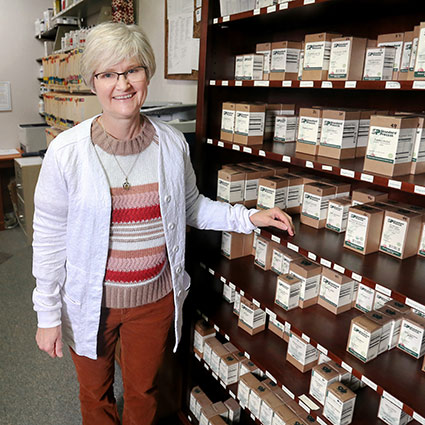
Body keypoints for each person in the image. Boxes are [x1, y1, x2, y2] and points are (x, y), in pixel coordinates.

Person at [32, 22, 295, 425]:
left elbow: (190, 207)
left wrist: (247, 217)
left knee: (143, 391)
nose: (122, 84)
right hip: (91, 302)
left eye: (132, 70)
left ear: (147, 75)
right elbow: (48, 239)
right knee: (94, 393)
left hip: (152, 302)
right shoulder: (66, 152)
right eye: (107, 74)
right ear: (93, 82)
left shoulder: (171, 144)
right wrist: (47, 315)